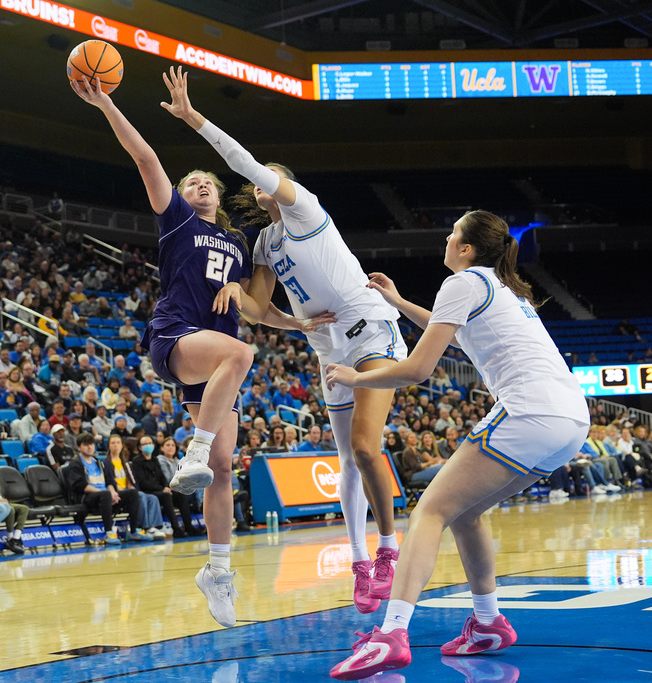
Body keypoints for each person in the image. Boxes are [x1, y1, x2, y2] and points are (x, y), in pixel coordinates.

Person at [164, 67, 405, 615]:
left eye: (270, 175)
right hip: (327, 348)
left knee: (367, 450)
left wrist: (193, 118)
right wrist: (233, 287)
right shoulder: (265, 241)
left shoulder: (305, 208)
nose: (260, 180)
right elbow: (255, 309)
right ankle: (361, 562)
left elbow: (244, 163)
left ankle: (389, 551)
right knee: (347, 459)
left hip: (366, 324)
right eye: (260, 179)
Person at [325, 211, 589, 680]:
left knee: (429, 510)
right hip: (570, 419)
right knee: (466, 513)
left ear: (465, 248)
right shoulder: (500, 287)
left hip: (529, 412)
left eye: (453, 234)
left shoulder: (463, 282)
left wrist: (356, 374)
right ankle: (488, 624)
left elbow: (417, 369)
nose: (447, 240)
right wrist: (400, 301)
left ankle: (391, 635)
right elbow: (453, 333)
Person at [73, 73, 261, 627]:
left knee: (224, 469)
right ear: (181, 195)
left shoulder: (239, 244)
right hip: (177, 337)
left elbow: (252, 307)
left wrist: (278, 311)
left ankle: (218, 572)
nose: (200, 184)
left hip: (215, 356)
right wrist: (107, 102)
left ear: (220, 196)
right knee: (241, 357)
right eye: (192, 181)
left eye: (208, 182)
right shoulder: (177, 223)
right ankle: (193, 451)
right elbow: (147, 157)